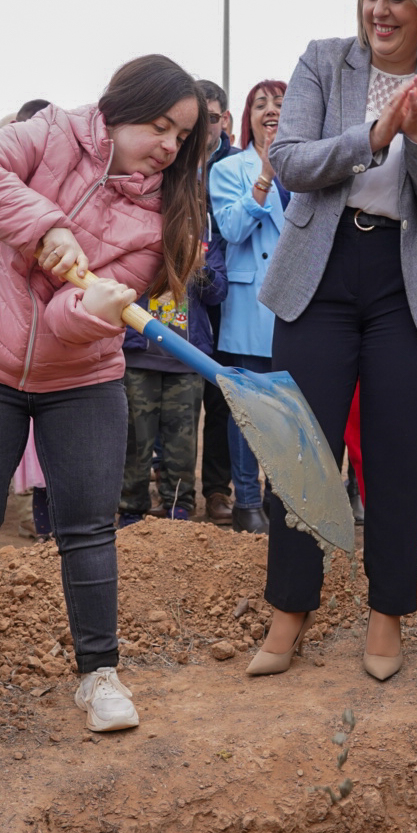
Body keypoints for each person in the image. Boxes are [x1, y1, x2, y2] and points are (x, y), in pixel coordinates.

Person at [0, 54, 207, 733]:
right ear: (119, 107)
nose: (167, 146)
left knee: (87, 529)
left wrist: (95, 307)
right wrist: (47, 228)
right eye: (159, 126)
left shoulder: (163, 218)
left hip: (83, 380)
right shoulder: (53, 133)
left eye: (181, 137)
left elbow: (72, 328)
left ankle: (99, 674)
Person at [252, 0, 417, 681]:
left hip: (407, 284)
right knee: (300, 450)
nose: (378, 10)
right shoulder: (325, 59)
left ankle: (387, 615)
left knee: (397, 449)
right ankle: (290, 612)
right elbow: (289, 160)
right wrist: (376, 133)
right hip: (320, 273)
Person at [208, 80, 286, 533]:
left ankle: (281, 494)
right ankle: (247, 500)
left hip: (300, 303)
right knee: (248, 409)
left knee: (288, 406)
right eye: (261, 104)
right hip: (249, 301)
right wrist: (266, 174)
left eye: (280, 103)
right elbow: (233, 229)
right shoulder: (229, 168)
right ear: (248, 116)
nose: (271, 110)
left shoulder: (310, 165)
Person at [118, 212, 227, 524]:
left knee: (182, 440)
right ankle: (131, 508)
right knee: (135, 439)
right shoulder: (135, 223)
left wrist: (201, 267)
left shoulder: (204, 228)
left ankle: (179, 507)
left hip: (187, 359)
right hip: (139, 354)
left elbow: (218, 293)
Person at [196, 80, 240, 525]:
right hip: (180, 291)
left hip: (225, 290)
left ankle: (215, 489)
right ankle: (165, 479)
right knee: (172, 392)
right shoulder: (172, 158)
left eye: (212, 117)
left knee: (220, 395)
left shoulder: (239, 161)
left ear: (224, 119)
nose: (205, 126)